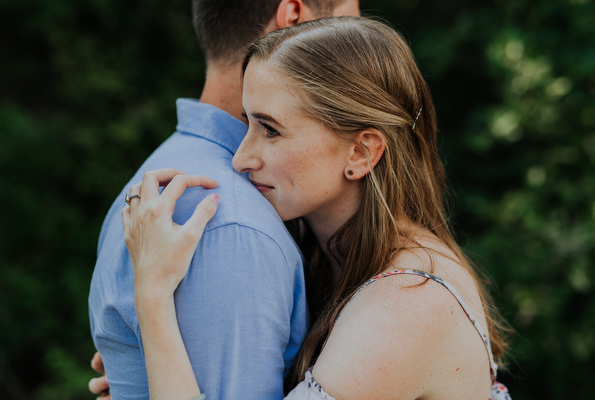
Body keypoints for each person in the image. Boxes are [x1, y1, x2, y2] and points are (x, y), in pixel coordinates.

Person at [118, 17, 512, 400]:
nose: (241, 158)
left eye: (270, 130)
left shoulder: (409, 303)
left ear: (360, 153)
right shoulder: (333, 261)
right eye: (247, 123)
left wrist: (151, 296)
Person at [88, 1, 361, 400]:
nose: (361, 48)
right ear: (294, 18)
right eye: (349, 26)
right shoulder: (230, 224)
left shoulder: (162, 170)